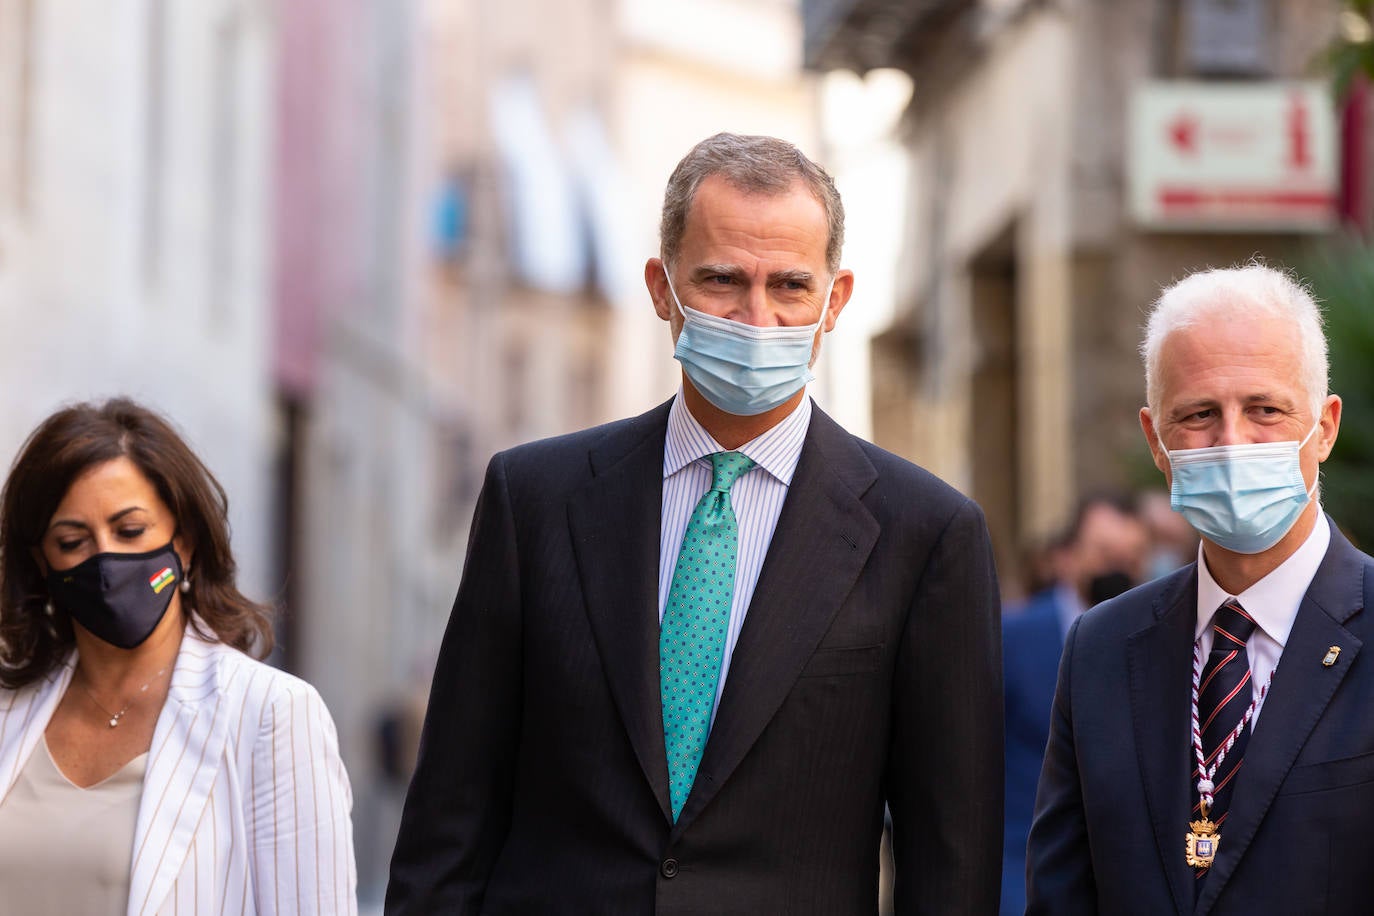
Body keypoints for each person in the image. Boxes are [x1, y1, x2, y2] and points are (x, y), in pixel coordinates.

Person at [386, 132, 1003, 914]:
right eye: (720, 280)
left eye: (790, 286)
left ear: (835, 301)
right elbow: (451, 815)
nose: (756, 318)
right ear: (660, 287)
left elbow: (950, 862)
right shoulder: (534, 500)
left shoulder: (926, 536)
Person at [1026, 263, 1369, 914]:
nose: (1233, 441)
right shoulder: (1102, 648)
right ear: (1157, 441)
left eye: (1265, 410)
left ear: (1323, 427)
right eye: (1200, 414)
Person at [0, 399, 357, 915]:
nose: (105, 562)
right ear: (43, 563)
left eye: (130, 532)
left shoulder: (270, 715)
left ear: (184, 543)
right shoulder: (11, 708)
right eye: (74, 541)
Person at [1000, 493, 1147, 915]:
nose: (1116, 568)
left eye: (1131, 556)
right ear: (1067, 557)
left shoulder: (1162, 641)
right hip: (1019, 876)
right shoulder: (1012, 637)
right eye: (1104, 553)